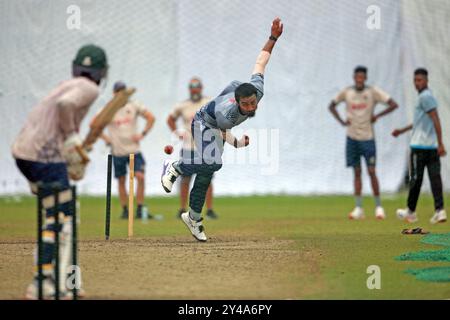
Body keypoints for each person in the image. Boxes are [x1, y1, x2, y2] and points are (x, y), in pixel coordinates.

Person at [161, 17, 283, 242]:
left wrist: (273, 37)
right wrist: (237, 143)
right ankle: (175, 167)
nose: (249, 108)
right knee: (213, 162)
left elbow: (261, 62)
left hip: (218, 117)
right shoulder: (228, 115)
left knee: (207, 171)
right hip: (203, 122)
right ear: (237, 103)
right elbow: (222, 131)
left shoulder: (257, 90)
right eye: (245, 105)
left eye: (252, 103)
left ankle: (194, 218)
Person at [11, 44, 108, 299]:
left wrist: (69, 156)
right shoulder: (89, 88)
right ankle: (46, 282)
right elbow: (65, 107)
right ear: (100, 72)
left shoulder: (65, 84)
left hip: (25, 154)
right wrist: (72, 140)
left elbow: (52, 116)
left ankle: (62, 281)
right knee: (63, 221)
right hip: (45, 157)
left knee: (56, 216)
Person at [328, 66, 399, 220]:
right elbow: (331, 105)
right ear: (354, 77)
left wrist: (377, 115)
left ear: (365, 78)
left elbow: (393, 104)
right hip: (352, 138)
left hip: (368, 138)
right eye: (357, 77)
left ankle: (379, 207)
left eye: (362, 77)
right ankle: (359, 208)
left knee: (372, 171)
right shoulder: (347, 92)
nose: (359, 80)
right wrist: (341, 121)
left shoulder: (372, 92)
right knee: (357, 172)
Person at [393, 68, 447, 224]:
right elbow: (419, 122)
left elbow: (436, 119)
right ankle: (440, 211)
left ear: (426, 80)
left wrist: (441, 143)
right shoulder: (427, 97)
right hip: (431, 147)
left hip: (420, 147)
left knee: (416, 179)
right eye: (415, 80)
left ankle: (410, 212)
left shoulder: (425, 97)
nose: (417, 83)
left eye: (420, 80)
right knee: (434, 178)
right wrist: (401, 131)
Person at [97, 81, 155, 219]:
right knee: (121, 180)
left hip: (134, 151)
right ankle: (125, 209)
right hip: (118, 152)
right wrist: (106, 139)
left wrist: (143, 133)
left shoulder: (134, 105)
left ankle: (140, 208)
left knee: (140, 177)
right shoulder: (108, 109)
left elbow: (151, 118)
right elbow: (95, 125)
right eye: (118, 93)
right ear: (114, 94)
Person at [167, 78, 219, 220]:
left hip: (205, 148)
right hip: (188, 147)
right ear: (189, 89)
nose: (195, 89)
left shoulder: (208, 102)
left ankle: (209, 210)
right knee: (185, 178)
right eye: (192, 87)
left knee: (207, 179)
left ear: (201, 88)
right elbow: (170, 119)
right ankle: (182, 208)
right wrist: (177, 133)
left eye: (197, 87)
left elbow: (218, 117)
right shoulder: (183, 105)